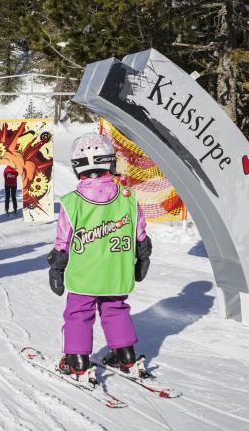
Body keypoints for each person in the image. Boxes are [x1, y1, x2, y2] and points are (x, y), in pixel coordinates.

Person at [47, 132, 152, 380]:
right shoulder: (128, 198)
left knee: (78, 314)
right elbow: (140, 234)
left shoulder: (73, 202)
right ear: (109, 162)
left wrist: (57, 267)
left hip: (84, 275)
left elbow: (63, 239)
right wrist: (143, 257)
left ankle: (77, 360)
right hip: (117, 272)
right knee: (116, 309)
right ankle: (126, 355)